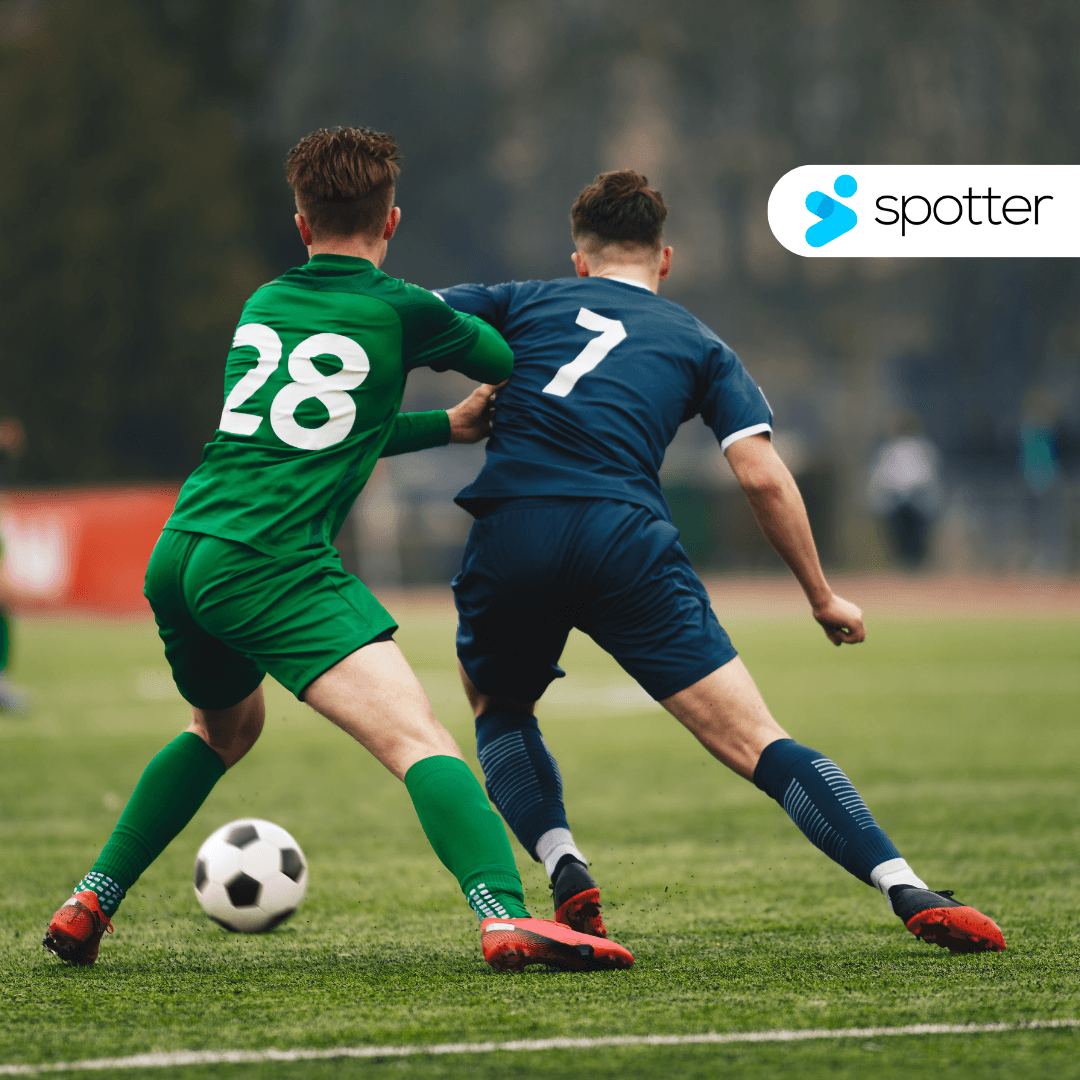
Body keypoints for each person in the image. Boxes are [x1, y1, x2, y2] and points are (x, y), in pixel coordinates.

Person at [42, 128, 631, 975]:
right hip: (268, 560)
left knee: (222, 729)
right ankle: (506, 915)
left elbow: (316, 428)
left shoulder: (265, 302)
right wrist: (465, 380)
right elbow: (499, 355)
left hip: (184, 549)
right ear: (391, 221)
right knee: (420, 741)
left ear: (300, 224)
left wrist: (442, 428)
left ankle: (90, 899)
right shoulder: (403, 307)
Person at [435, 170, 1005, 955]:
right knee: (759, 742)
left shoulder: (521, 299)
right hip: (623, 539)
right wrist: (821, 595)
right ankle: (903, 885)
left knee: (499, 706)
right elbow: (762, 475)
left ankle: (565, 863)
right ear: (664, 262)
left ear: (579, 262)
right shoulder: (699, 342)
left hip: (513, 529)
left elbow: (402, 316)